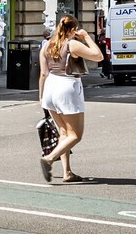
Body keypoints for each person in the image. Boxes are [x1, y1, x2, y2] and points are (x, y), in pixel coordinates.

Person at [39, 15, 104, 182]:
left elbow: (43, 73)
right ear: (73, 30)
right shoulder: (72, 44)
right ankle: (49, 159)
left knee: (63, 132)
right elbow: (98, 56)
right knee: (75, 135)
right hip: (66, 87)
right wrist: (87, 37)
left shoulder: (47, 45)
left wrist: (41, 98)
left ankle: (67, 172)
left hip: (50, 88)